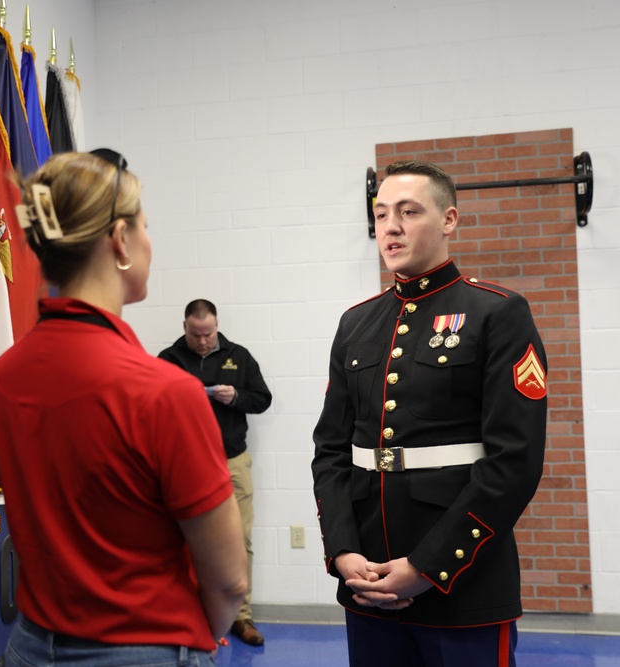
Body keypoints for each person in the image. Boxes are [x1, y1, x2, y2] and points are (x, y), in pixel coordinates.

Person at [0, 150, 248, 667]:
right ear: (120, 240)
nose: (148, 240)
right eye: (144, 226)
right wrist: (186, 644)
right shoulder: (165, 392)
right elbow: (229, 579)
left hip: (30, 647)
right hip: (147, 647)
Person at [312, 160, 548, 666]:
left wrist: (426, 568)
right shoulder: (356, 324)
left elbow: (514, 463)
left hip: (461, 585)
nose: (390, 226)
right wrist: (344, 554)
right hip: (368, 583)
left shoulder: (497, 313)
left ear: (449, 220)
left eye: (408, 211)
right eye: (380, 214)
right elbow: (331, 451)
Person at [159, 300, 273, 647]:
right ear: (185, 328)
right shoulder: (168, 359)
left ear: (217, 325)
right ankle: (189, 612)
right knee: (179, 541)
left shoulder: (239, 356)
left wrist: (235, 396)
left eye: (208, 333)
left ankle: (241, 616)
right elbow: (152, 406)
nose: (203, 341)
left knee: (240, 539)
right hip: (183, 463)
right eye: (196, 335)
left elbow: (262, 399)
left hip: (232, 461)